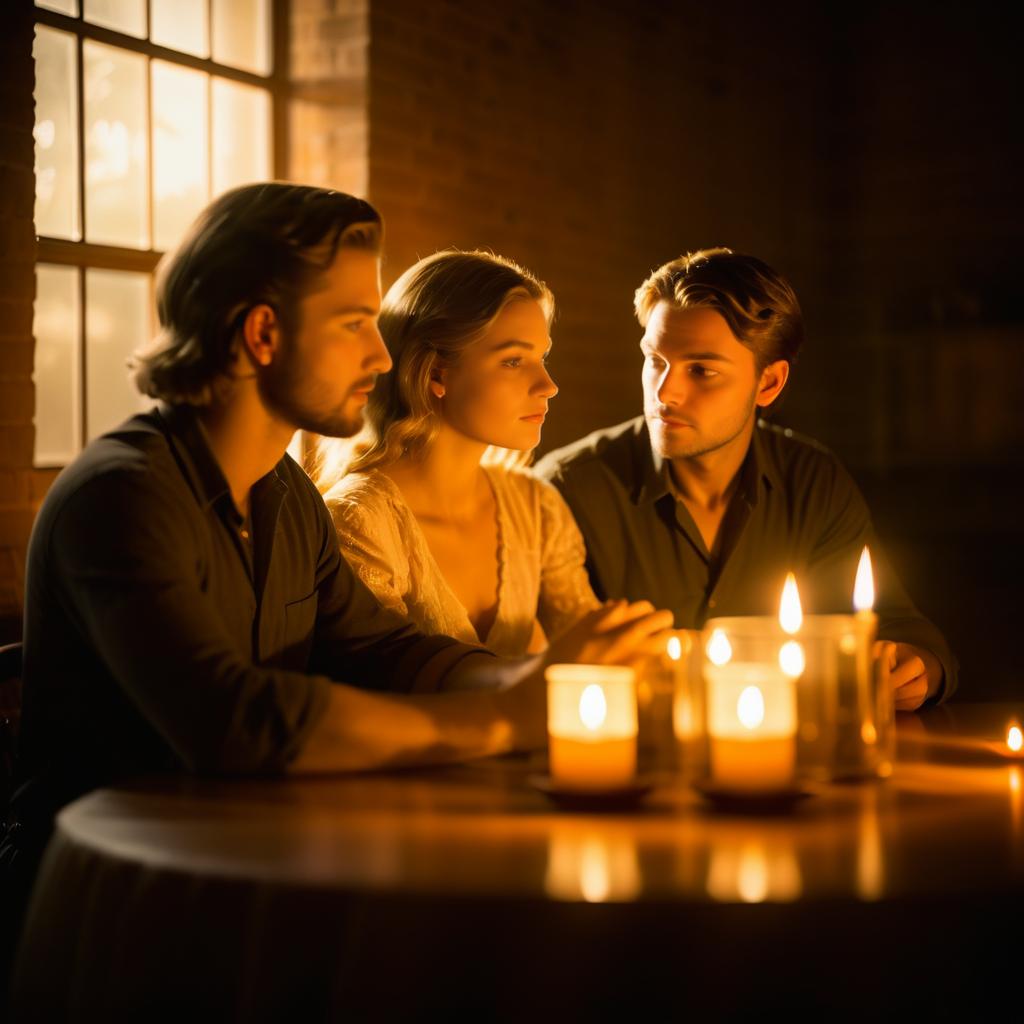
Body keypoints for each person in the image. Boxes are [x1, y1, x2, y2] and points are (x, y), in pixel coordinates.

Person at [1, 185, 670, 955]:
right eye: (356, 323)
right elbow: (238, 723)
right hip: (111, 905)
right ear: (262, 333)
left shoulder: (285, 493)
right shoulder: (120, 495)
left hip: (241, 867)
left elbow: (384, 650)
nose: (383, 355)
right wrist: (497, 718)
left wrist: (536, 683)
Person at [534, 247, 957, 710]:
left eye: (701, 370)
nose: (665, 392)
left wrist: (917, 667)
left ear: (769, 384)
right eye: (655, 359)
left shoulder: (811, 481)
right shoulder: (568, 488)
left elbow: (898, 627)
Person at [315, 250, 601, 658]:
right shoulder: (359, 521)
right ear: (435, 374)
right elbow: (384, 677)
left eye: (542, 358)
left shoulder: (534, 506)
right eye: (514, 360)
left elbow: (588, 647)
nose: (548, 385)